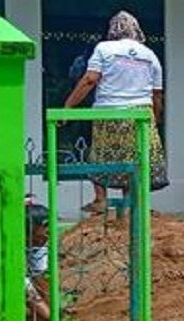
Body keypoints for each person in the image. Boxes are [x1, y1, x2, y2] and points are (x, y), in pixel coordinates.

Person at [64, 11, 167, 213]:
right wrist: (155, 118)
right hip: (140, 114)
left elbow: (90, 79)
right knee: (134, 157)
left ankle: (101, 199)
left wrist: (68, 106)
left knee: (102, 154)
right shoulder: (149, 54)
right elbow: (157, 95)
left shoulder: (104, 48)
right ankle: (133, 203)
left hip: (110, 112)